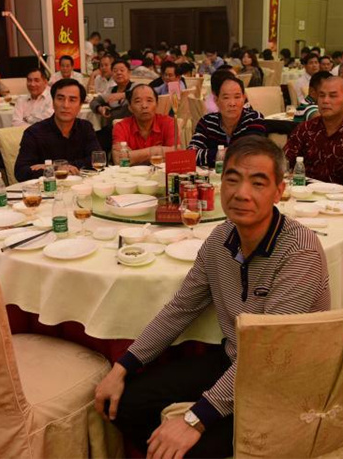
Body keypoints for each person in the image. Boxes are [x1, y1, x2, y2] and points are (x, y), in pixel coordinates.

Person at [94, 135, 330, 459]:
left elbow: (270, 353)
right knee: (126, 404)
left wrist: (195, 420)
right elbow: (180, 309)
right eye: (232, 179)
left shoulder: (300, 252)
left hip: (284, 382)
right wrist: (121, 367)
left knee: (192, 449)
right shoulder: (220, 239)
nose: (242, 193)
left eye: (258, 183)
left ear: (279, 190)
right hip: (235, 361)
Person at [284, 77, 343, 204]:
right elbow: (284, 165)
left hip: (340, 204)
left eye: (332, 96)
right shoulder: (305, 129)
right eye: (322, 95)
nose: (325, 101)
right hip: (303, 200)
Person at [14, 79, 101, 182]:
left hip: (80, 187)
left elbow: (98, 160)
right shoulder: (34, 133)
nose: (65, 105)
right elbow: (21, 172)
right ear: (53, 102)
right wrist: (56, 170)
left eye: (72, 100)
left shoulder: (85, 127)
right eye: (60, 99)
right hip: (47, 189)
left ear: (80, 106)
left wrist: (54, 167)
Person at [189, 75, 265, 167]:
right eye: (226, 98)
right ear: (216, 100)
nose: (232, 103)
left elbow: (251, 154)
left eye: (237, 97)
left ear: (244, 99)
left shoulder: (253, 119)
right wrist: (224, 154)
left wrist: (215, 155)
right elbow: (190, 155)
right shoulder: (207, 122)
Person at [112, 85, 176, 165]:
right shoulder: (121, 126)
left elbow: (176, 154)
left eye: (149, 100)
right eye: (138, 101)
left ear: (157, 104)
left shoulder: (168, 123)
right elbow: (118, 160)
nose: (144, 106)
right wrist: (157, 151)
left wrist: (132, 156)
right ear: (130, 107)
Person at [90, 60, 135, 152]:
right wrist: (100, 109)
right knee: (92, 137)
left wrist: (123, 95)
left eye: (122, 70)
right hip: (111, 128)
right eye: (115, 71)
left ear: (129, 72)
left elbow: (141, 94)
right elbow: (94, 101)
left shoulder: (135, 87)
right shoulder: (111, 90)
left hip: (131, 128)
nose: (118, 73)